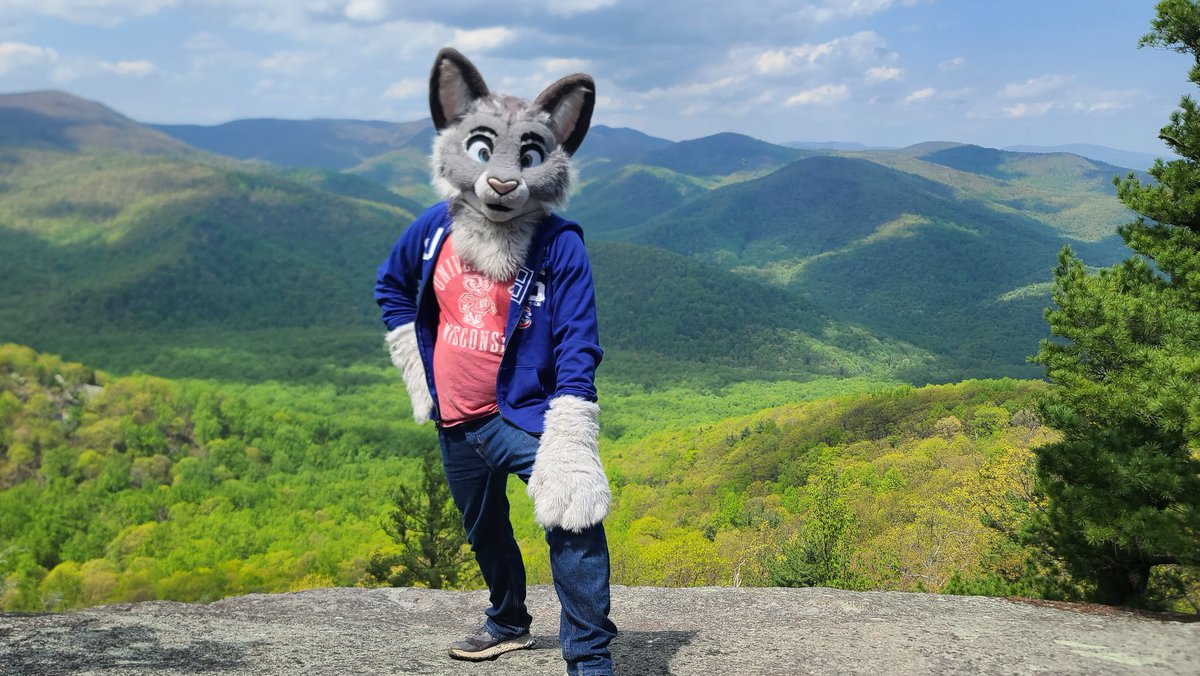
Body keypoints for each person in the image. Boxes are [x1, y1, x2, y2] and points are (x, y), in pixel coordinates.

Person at [373, 47, 617, 676]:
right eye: (486, 153)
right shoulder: (432, 228)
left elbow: (578, 341)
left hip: (523, 417)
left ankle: (589, 659)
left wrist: (570, 435)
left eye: (527, 157)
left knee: (573, 517)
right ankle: (508, 622)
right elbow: (392, 286)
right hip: (455, 420)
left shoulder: (559, 244)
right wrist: (416, 369)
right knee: (484, 531)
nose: (504, 176)